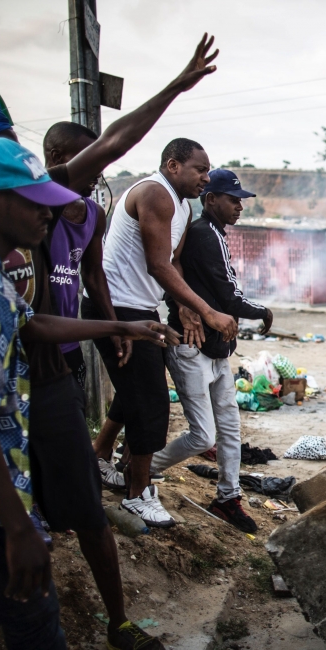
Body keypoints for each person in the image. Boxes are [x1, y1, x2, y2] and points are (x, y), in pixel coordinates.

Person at [0, 136, 175, 650]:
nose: (50, 210)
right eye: (34, 200)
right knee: (35, 618)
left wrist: (120, 325)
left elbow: (30, 324)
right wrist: (17, 527)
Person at [83, 137, 238, 528]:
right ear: (172, 165)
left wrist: (184, 307)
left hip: (142, 306)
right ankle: (137, 494)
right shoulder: (154, 193)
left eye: (206, 171)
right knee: (151, 402)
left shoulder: (182, 207)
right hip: (117, 307)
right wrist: (208, 311)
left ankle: (100, 454)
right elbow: (157, 265)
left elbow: (173, 263)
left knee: (137, 389)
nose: (205, 177)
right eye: (199, 170)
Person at [151, 169, 273, 533]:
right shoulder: (207, 234)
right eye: (233, 200)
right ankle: (143, 468)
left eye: (241, 201)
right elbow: (227, 293)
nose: (239, 207)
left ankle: (227, 498)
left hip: (217, 349)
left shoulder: (211, 233)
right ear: (211, 200)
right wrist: (261, 311)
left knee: (231, 429)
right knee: (203, 435)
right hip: (193, 347)